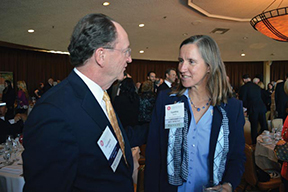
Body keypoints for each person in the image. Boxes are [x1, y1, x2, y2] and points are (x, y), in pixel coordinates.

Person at [22, 13, 148, 192]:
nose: (130, 59)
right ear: (101, 55)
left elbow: (106, 140)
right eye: (126, 51)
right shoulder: (53, 112)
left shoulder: (99, 95)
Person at [144, 35, 246, 192]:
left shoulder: (231, 108)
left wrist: (229, 184)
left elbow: (237, 156)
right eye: (180, 61)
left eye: (191, 62)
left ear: (209, 66)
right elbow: (154, 154)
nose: (181, 68)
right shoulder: (167, 101)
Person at [239, 74, 268, 144]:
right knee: (264, 125)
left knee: (254, 127)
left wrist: (246, 109)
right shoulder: (257, 86)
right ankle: (266, 141)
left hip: (253, 109)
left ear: (243, 79)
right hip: (261, 107)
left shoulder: (244, 87)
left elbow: (242, 100)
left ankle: (255, 144)